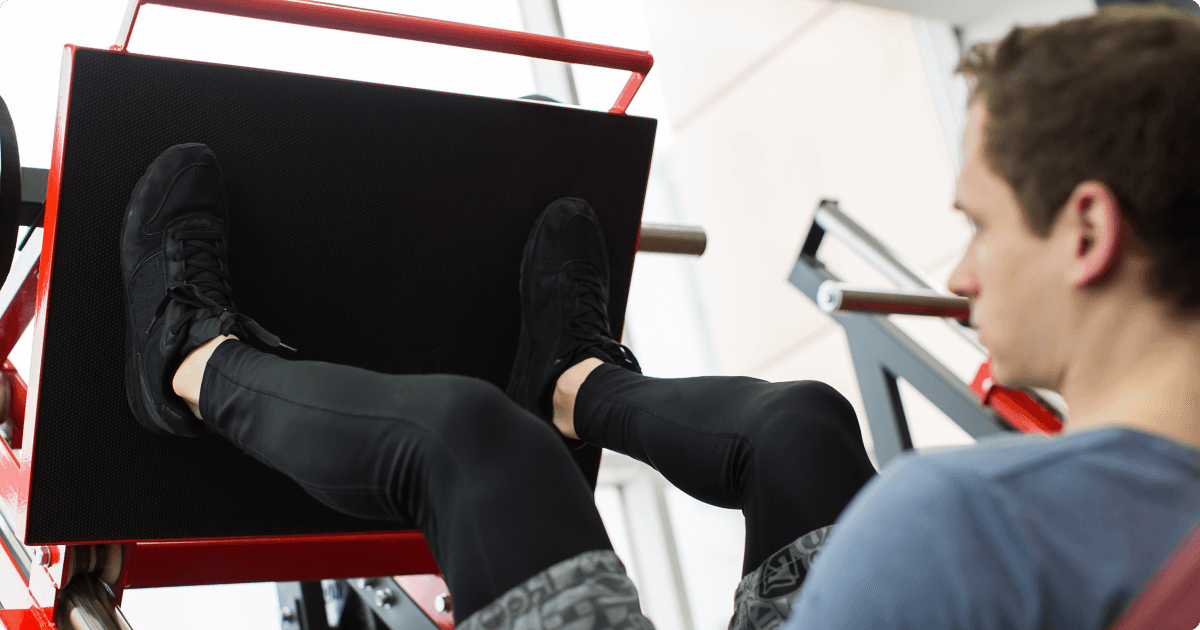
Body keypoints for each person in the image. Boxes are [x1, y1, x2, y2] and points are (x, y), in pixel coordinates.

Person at [118, 4, 1200, 630]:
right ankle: (574, 381)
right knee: (802, 426)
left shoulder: (963, 528)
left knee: (470, 443)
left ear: (1088, 231)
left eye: (979, 224)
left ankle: (186, 357)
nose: (960, 274)